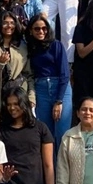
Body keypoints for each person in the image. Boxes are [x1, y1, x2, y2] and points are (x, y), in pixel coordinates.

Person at [27, 16, 72, 159]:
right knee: (47, 134)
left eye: (44, 28)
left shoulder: (56, 45)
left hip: (60, 88)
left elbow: (65, 74)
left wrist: (59, 101)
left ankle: (63, 170)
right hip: (41, 89)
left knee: (62, 133)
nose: (41, 31)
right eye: (37, 29)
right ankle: (50, 170)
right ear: (31, 30)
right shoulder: (30, 47)